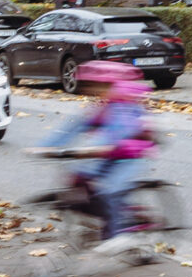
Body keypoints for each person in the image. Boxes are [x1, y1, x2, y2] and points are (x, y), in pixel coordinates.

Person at [41, 59, 158, 261]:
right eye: (91, 87)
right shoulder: (101, 107)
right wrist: (47, 147)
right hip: (108, 154)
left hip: (130, 156)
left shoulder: (125, 107)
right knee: (80, 178)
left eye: (100, 87)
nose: (95, 91)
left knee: (111, 188)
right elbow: (76, 127)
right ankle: (104, 219)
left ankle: (118, 234)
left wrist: (104, 147)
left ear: (113, 86)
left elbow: (122, 131)